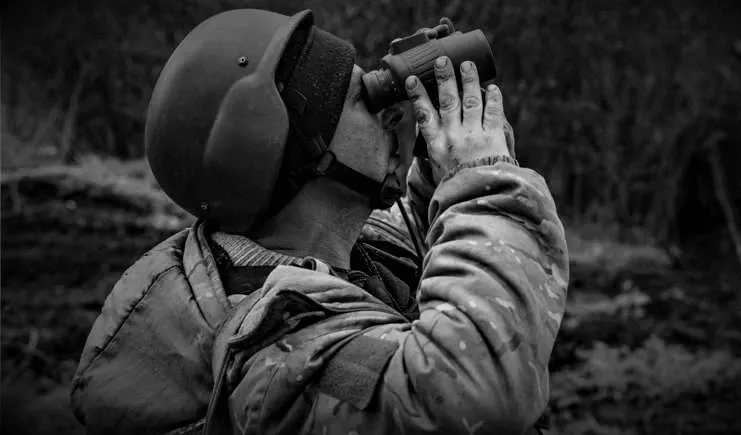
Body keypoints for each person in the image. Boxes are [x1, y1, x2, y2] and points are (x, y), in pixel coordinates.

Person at [70, 7, 568, 435]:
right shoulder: (275, 352)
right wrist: (482, 179)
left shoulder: (336, 249)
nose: (388, 111)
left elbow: (425, 236)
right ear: (290, 155)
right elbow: (469, 397)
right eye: (361, 101)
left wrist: (447, 154)